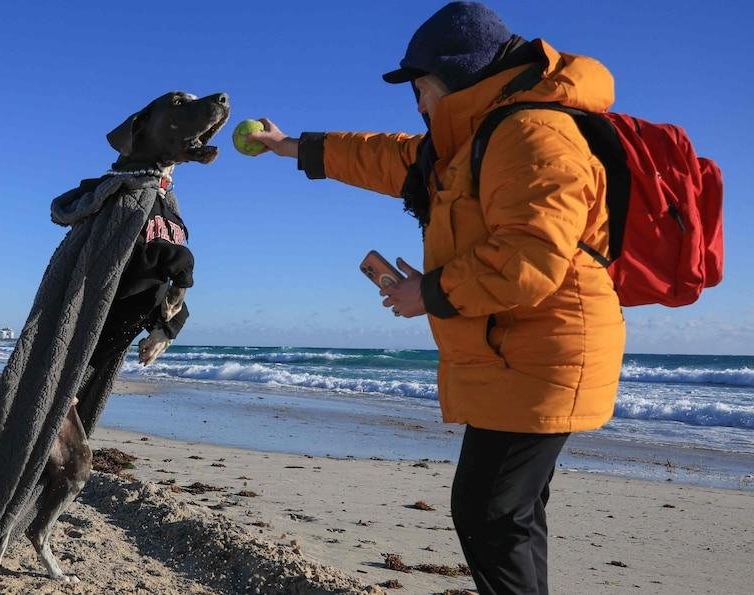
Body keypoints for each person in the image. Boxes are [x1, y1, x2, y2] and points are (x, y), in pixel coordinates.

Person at [247, 3, 625, 593]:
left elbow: (529, 259)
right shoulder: (469, 140)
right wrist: (290, 146)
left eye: (421, 87)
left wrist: (426, 292)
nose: (418, 104)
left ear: (455, 76)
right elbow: (383, 155)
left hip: (543, 355)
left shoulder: (531, 134)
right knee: (510, 515)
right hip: (518, 354)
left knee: (488, 513)